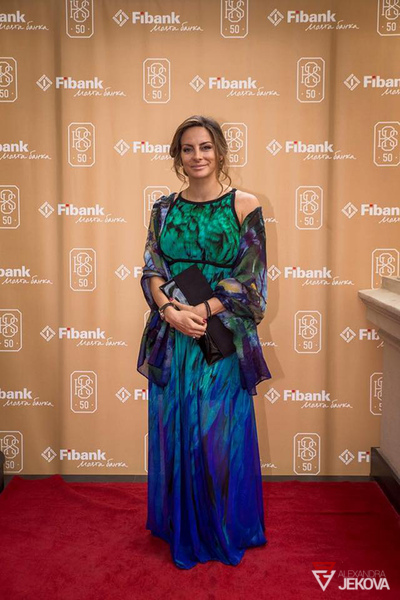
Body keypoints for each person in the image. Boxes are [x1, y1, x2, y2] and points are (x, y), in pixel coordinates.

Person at [137, 115, 272, 569]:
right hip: (175, 335)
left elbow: (251, 279)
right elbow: (152, 268)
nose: (198, 156)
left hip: (220, 335)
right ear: (178, 156)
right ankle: (183, 525)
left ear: (220, 152)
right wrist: (170, 312)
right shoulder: (163, 209)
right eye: (188, 148)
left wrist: (203, 310)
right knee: (178, 429)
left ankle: (221, 527)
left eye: (206, 147)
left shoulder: (244, 205)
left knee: (216, 434)